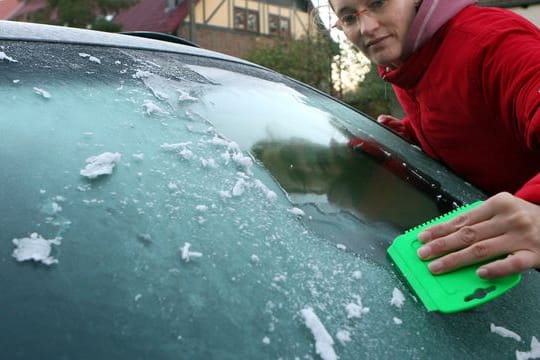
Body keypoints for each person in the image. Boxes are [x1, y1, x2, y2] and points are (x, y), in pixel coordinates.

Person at [327, 0, 540, 278]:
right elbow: (473, 114)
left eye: (378, 3)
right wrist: (411, 138)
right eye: (349, 18)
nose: (367, 27)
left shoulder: (493, 43)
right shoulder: (410, 60)